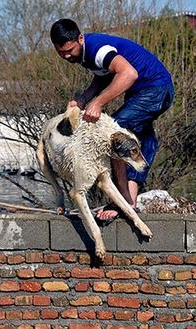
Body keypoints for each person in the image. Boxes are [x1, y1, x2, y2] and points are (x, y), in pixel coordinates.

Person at [50, 18, 174, 222]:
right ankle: (130, 200)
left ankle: (122, 201)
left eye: (69, 50)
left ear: (80, 38)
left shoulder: (97, 49)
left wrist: (97, 103)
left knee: (114, 137)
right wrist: (82, 100)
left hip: (154, 89)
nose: (65, 56)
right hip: (148, 91)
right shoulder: (86, 54)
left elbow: (128, 74)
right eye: (60, 52)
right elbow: (103, 76)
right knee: (142, 138)